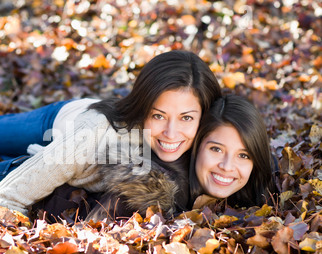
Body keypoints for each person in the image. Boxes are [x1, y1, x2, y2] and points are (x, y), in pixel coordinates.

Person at [0, 50, 222, 218]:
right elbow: (7, 196)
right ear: (142, 110)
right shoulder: (93, 135)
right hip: (63, 120)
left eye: (186, 118)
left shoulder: (209, 139)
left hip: (76, 151)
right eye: (158, 115)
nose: (171, 133)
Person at [85, 94, 276, 222]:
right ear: (196, 146)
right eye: (216, 149)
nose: (227, 166)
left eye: (243, 155)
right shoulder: (147, 192)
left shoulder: (255, 185)